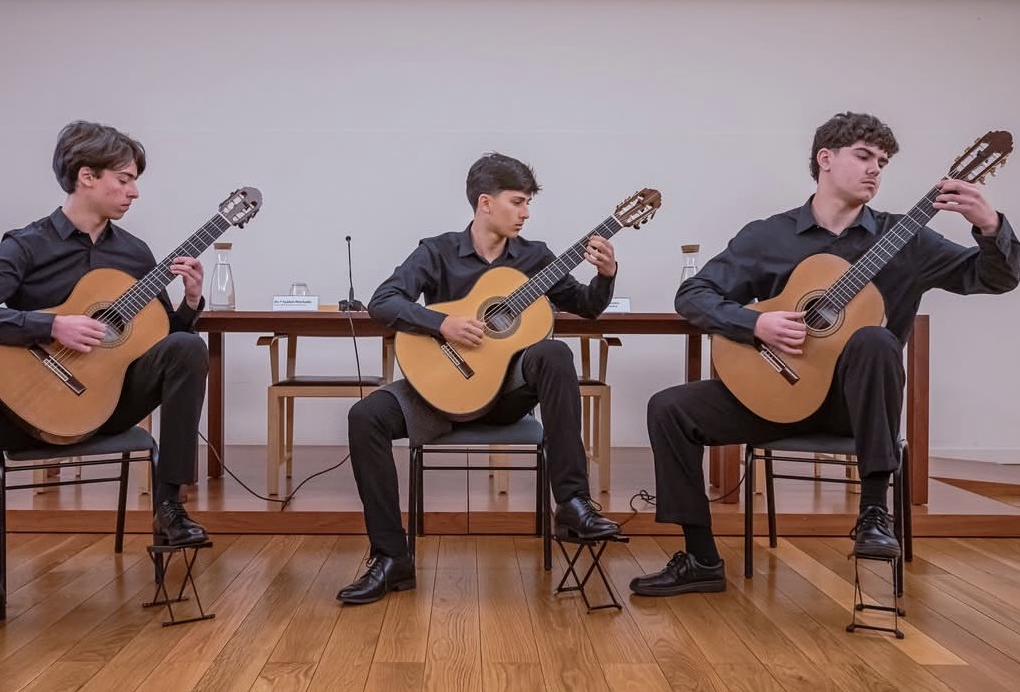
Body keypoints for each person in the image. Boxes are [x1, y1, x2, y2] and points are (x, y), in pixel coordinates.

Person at [631, 112, 1020, 597]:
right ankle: (700, 558)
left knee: (875, 340)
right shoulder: (768, 235)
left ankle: (874, 515)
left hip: (852, 410)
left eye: (882, 161)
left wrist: (990, 225)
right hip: (777, 397)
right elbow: (694, 294)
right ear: (826, 159)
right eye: (864, 156)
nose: (876, 169)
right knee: (669, 408)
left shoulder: (909, 239)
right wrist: (757, 324)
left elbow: (996, 279)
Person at [0, 120, 210, 646]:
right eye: (124, 179)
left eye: (136, 180)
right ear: (86, 176)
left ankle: (169, 507)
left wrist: (190, 304)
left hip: (110, 401)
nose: (135, 191)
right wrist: (49, 325)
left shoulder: (137, 254)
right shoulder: (26, 246)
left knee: (188, 346)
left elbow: (160, 344)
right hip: (35, 403)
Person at [337, 152, 622, 604]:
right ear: (485, 203)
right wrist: (441, 324)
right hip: (441, 392)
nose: (526, 212)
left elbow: (586, 305)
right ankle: (392, 557)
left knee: (553, 351)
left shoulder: (537, 258)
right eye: (517, 201)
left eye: (529, 202)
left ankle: (572, 504)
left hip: (506, 394)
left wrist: (606, 275)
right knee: (364, 416)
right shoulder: (437, 250)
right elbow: (382, 302)